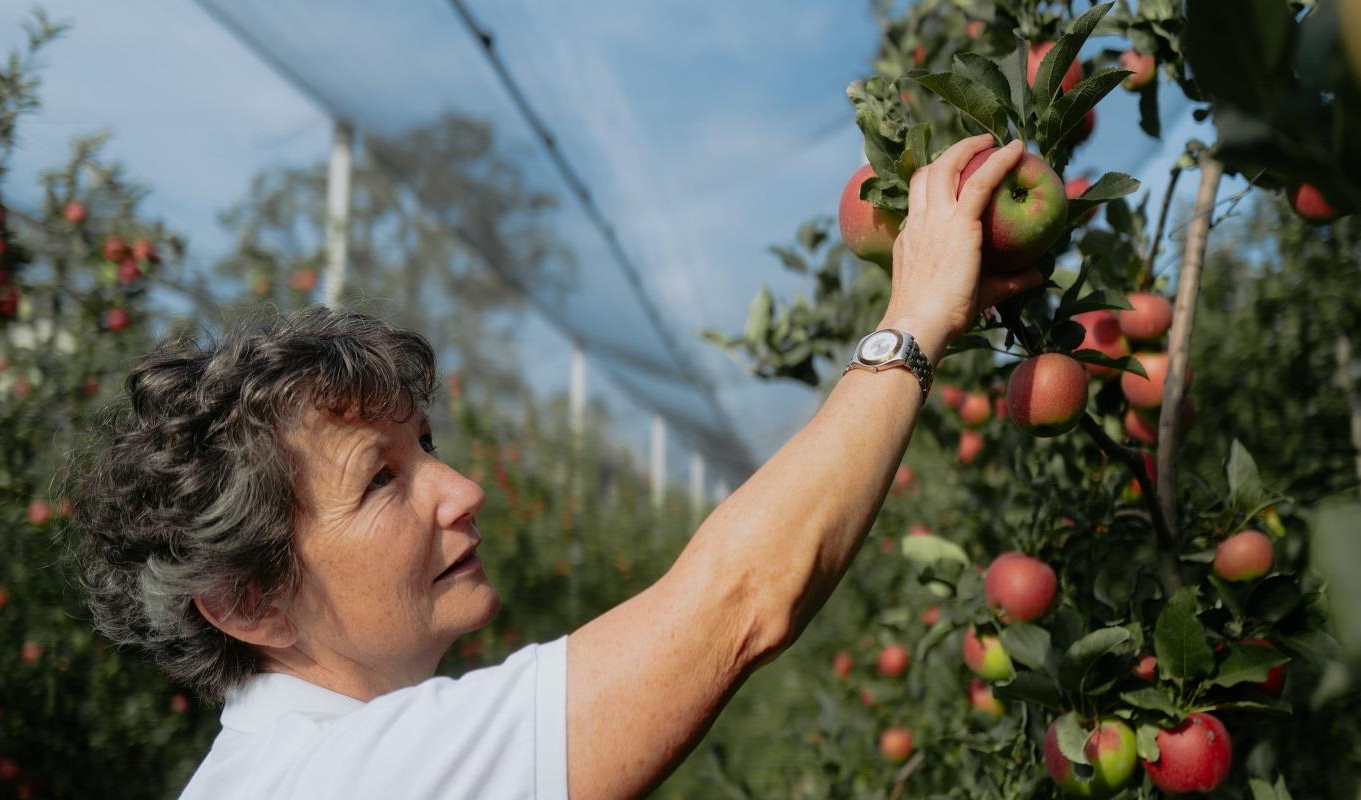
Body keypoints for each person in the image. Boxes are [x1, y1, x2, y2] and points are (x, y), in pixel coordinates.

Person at [72, 135, 1042, 799]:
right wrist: (913, 322)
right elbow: (734, 605)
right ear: (249, 601)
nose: (463, 491)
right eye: (380, 479)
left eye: (429, 449)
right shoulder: (345, 777)